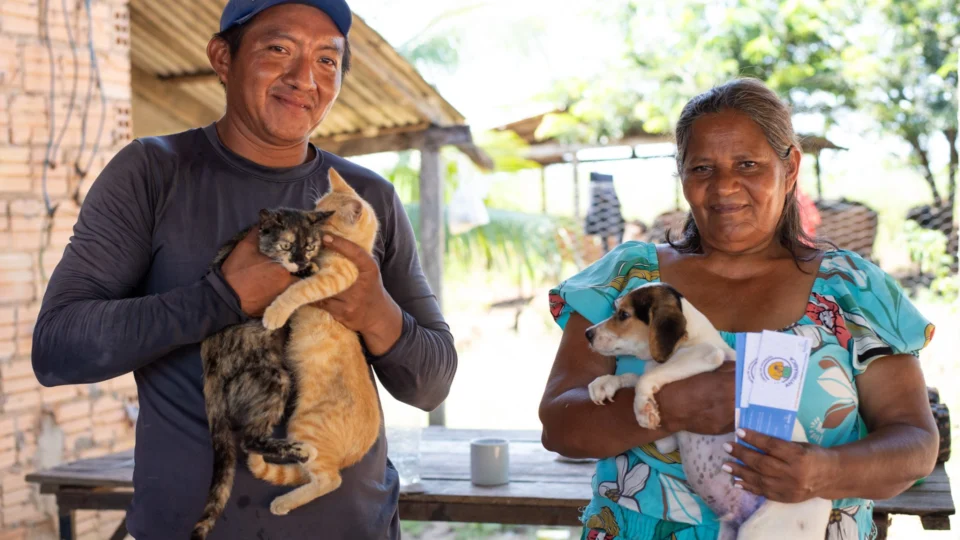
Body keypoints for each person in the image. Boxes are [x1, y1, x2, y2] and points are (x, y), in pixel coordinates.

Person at [31, 0, 457, 538]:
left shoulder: (364, 199)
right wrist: (221, 297)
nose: (304, 78)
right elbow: (57, 347)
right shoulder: (154, 174)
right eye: (278, 49)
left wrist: (376, 313)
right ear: (223, 57)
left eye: (328, 60)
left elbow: (432, 383)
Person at [539, 78, 939, 540]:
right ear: (682, 175)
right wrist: (673, 407)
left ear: (789, 168)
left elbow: (915, 444)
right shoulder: (628, 281)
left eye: (748, 164)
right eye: (702, 168)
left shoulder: (853, 291)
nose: (724, 187)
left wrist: (821, 472)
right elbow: (560, 425)